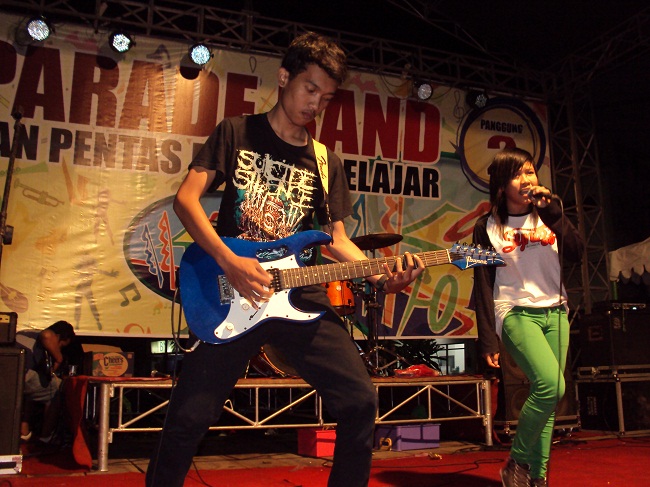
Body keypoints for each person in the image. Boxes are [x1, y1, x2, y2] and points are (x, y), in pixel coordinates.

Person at [145, 32, 424, 487]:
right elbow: (186, 200)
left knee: (360, 401)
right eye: (309, 89)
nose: (316, 103)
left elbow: (336, 240)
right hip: (235, 289)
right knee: (188, 416)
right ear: (283, 77)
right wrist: (229, 261)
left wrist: (380, 276)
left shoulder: (326, 162)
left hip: (299, 294)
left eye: (326, 98)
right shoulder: (236, 132)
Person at [472, 147, 584, 487]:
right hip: (516, 311)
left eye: (530, 171)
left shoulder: (549, 214)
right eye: (516, 174)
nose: (526, 179)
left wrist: (554, 215)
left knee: (546, 395)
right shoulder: (486, 226)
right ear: (501, 185)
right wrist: (487, 339)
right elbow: (482, 282)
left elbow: (577, 253)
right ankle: (517, 461)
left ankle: (538, 477)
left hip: (556, 311)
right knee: (551, 385)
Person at [15, 320, 82, 443]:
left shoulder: (27, 334)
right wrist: (59, 358)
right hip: (17, 373)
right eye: (61, 345)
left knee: (37, 388)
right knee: (57, 388)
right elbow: (47, 335)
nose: (58, 348)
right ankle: (46, 437)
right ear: (58, 336)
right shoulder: (46, 335)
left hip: (14, 376)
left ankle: (24, 428)